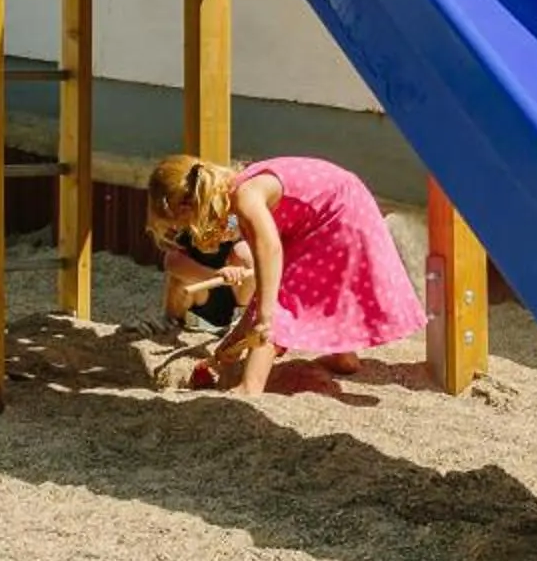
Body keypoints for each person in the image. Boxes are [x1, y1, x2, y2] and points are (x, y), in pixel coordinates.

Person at [145, 153, 425, 395]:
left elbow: (270, 250)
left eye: (182, 225)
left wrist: (265, 316)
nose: (186, 232)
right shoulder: (237, 192)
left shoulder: (245, 197)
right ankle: (345, 357)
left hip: (338, 213)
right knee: (297, 291)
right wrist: (233, 341)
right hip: (338, 205)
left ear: (186, 205)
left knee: (281, 299)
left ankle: (250, 387)